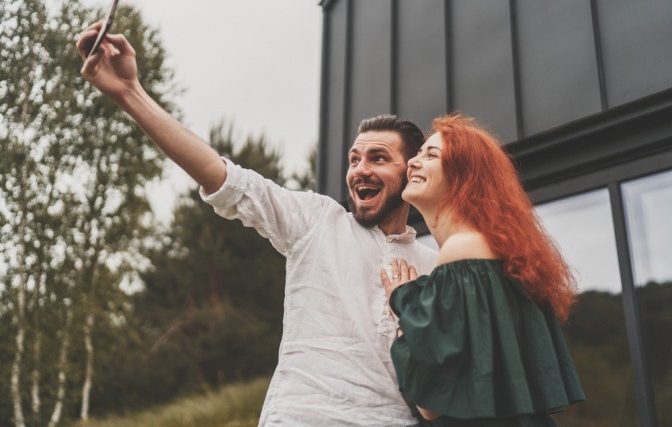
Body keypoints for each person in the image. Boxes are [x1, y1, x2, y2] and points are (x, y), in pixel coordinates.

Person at [76, 22, 438, 426]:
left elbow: (437, 390)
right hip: (301, 416)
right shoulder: (317, 220)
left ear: (412, 171)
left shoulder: (435, 265)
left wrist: (407, 311)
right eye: (354, 159)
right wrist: (130, 93)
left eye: (379, 158)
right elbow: (225, 177)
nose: (360, 170)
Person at [381, 113, 585, 426]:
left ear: (464, 176)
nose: (413, 162)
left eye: (431, 154)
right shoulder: (495, 257)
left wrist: (402, 306)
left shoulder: (463, 250)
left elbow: (430, 403)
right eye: (417, 153)